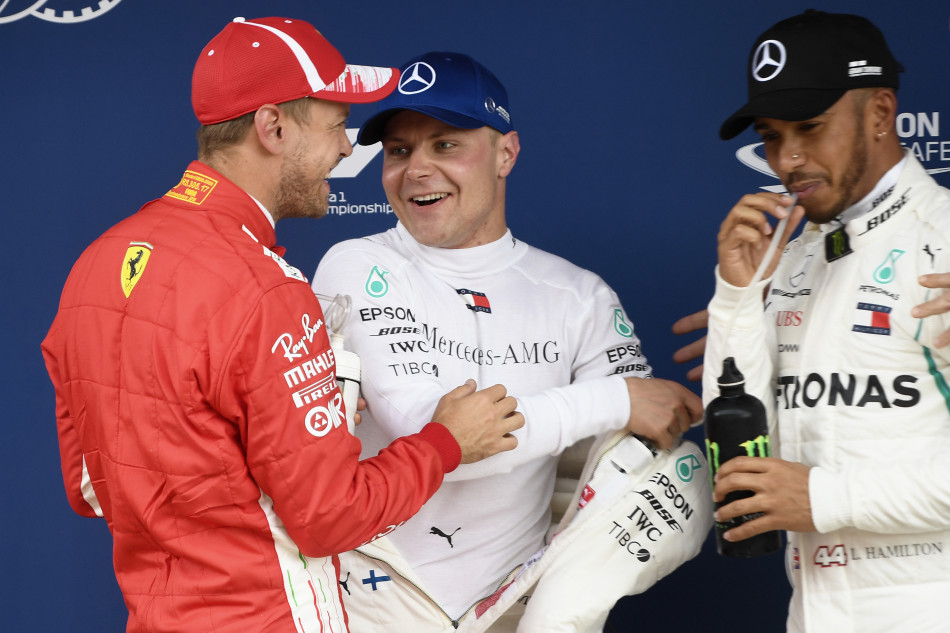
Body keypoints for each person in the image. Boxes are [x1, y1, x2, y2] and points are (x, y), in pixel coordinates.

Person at [40, 18, 525, 633]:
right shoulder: (265, 289)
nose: (347, 148)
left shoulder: (97, 262)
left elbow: (89, 487)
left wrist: (243, 451)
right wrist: (445, 442)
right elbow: (329, 519)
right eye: (335, 125)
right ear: (273, 128)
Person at [311, 51, 704, 631]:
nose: (416, 169)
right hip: (368, 608)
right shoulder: (357, 264)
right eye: (399, 151)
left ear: (506, 154)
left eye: (445, 144)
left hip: (510, 613)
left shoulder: (579, 295)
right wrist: (617, 398)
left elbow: (641, 450)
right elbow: (435, 440)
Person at [703, 10, 950, 632]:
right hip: (813, 611)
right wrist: (736, 299)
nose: (788, 159)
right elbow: (738, 446)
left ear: (879, 112)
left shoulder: (944, 238)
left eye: (811, 127)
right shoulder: (797, 256)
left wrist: (823, 498)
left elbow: (808, 495)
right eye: (771, 135)